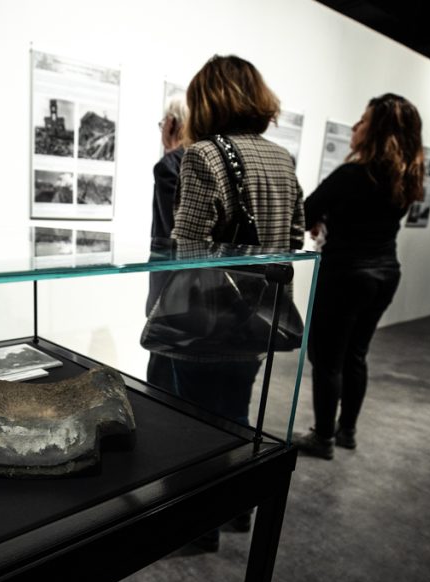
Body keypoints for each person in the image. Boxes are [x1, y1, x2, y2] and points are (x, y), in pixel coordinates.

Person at [165, 55, 304, 548]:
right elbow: (294, 238)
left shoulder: (203, 155)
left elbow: (190, 251)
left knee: (196, 426)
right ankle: (239, 508)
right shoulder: (282, 158)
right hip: (260, 317)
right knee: (237, 414)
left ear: (207, 100)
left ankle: (200, 530)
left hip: (208, 320)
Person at [293, 94, 425, 460]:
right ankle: (346, 431)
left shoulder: (353, 174)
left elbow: (305, 212)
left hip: (345, 274)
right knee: (355, 355)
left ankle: (322, 437)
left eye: (363, 121)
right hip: (385, 273)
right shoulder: (404, 178)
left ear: (377, 131)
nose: (355, 127)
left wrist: (322, 219)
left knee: (326, 358)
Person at [144, 96, 188, 393]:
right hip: (200, 293)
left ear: (172, 124)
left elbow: (172, 232)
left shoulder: (170, 165)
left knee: (162, 378)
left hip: (171, 288)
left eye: (162, 123)